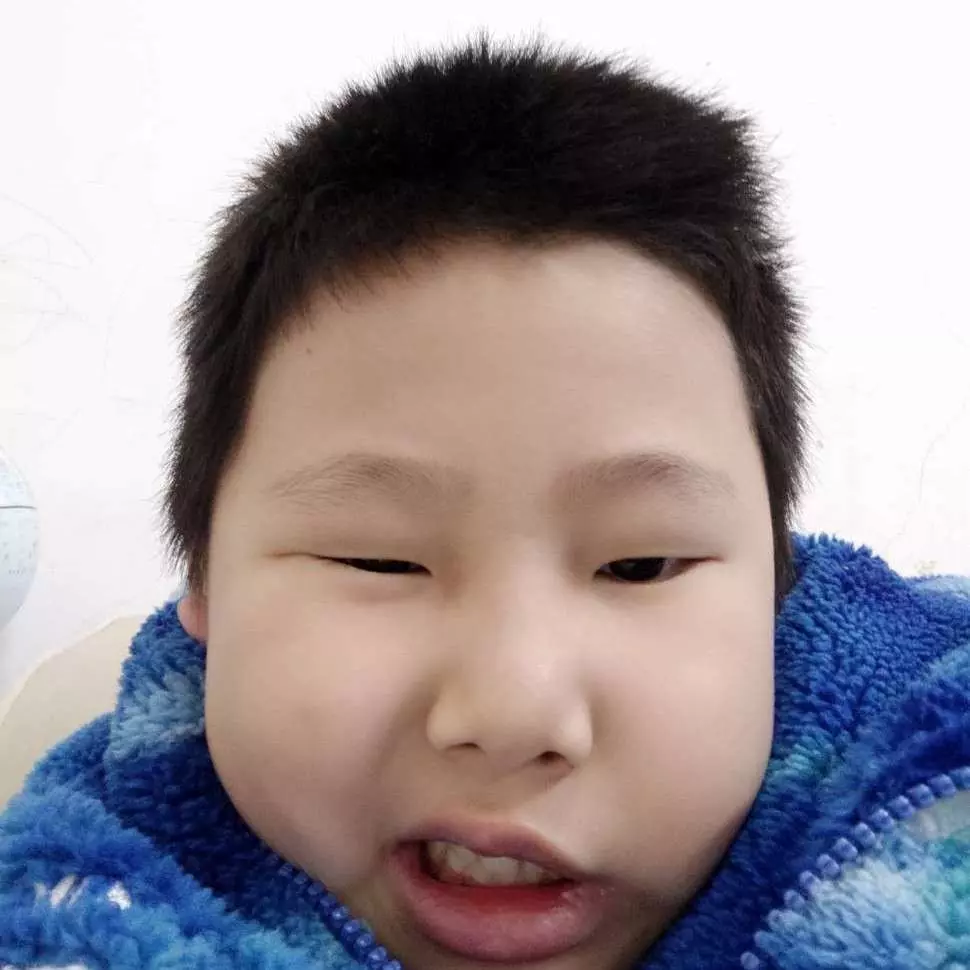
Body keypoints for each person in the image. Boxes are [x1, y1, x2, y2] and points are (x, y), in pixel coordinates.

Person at [2, 29, 969, 970]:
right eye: (381, 560)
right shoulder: (77, 900)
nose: (513, 713)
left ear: (775, 599)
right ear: (208, 587)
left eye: (638, 565)